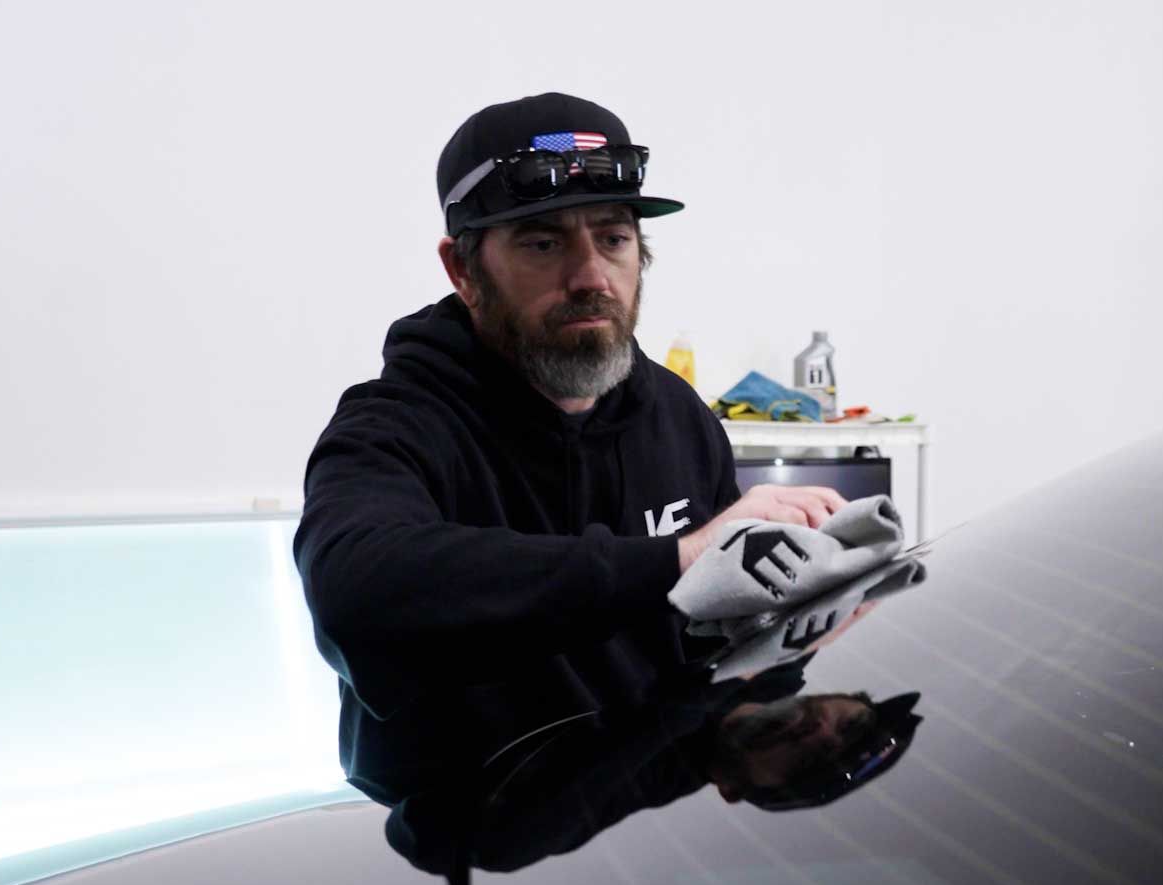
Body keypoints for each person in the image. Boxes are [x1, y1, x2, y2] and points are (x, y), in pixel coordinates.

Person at [294, 92, 845, 789]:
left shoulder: (676, 415)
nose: (591, 277)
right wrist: (676, 559)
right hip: (474, 834)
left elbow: (708, 639)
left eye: (613, 239)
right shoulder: (395, 426)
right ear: (463, 271)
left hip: (654, 811)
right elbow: (356, 592)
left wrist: (798, 642)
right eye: (543, 243)